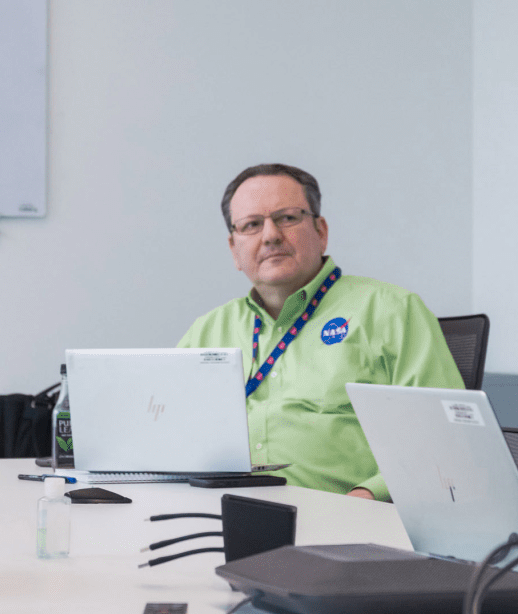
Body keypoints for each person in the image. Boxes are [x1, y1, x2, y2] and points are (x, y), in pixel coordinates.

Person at [177, 163, 464, 499]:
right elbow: (165, 432)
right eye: (252, 225)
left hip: (346, 521)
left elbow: (443, 436)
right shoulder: (207, 331)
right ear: (234, 250)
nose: (270, 235)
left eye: (287, 218)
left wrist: (367, 498)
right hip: (218, 515)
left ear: (321, 231)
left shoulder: (391, 311)